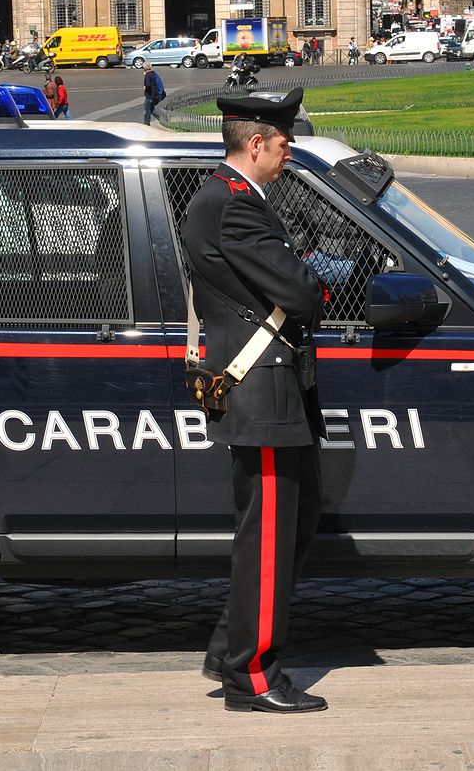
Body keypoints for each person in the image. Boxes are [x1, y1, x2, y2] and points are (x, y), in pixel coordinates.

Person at [181, 87, 328, 715]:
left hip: (269, 390)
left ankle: (230, 648)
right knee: (269, 538)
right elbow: (298, 292)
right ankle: (253, 678)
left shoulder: (231, 199)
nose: (289, 149)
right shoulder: (234, 205)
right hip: (262, 391)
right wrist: (318, 275)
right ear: (257, 143)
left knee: (291, 526)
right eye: (284, 139)